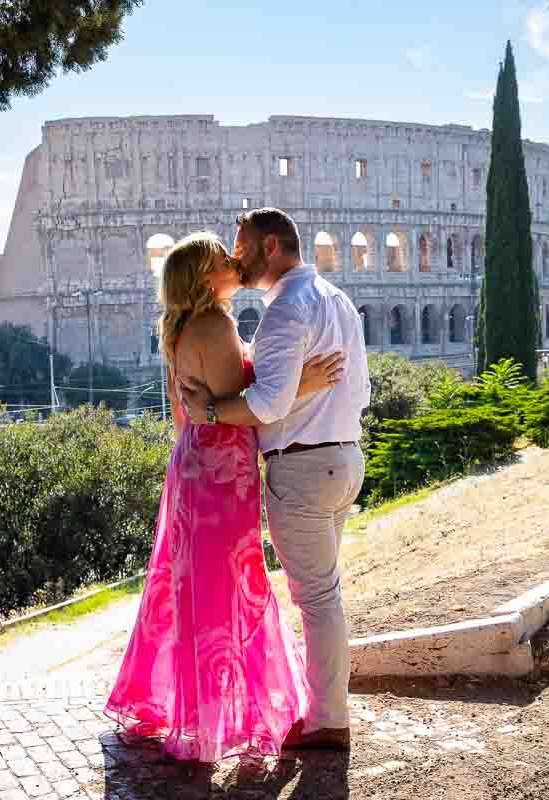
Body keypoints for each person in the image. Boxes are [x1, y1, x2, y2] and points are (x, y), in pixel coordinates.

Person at [104, 231, 345, 763]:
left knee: (198, 584)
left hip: (198, 461)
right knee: (228, 584)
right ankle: (229, 713)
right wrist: (301, 381)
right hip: (220, 466)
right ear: (204, 277)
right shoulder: (214, 324)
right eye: (223, 259)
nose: (235, 261)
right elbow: (254, 398)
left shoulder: (184, 327)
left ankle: (201, 707)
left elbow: (188, 409)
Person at [180, 208, 370, 751]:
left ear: (268, 246)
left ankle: (328, 720)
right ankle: (325, 710)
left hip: (304, 470)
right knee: (326, 595)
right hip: (344, 458)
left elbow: (265, 403)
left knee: (318, 599)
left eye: (241, 247)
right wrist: (307, 392)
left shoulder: (286, 310)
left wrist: (212, 412)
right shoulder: (337, 300)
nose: (236, 258)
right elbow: (360, 390)